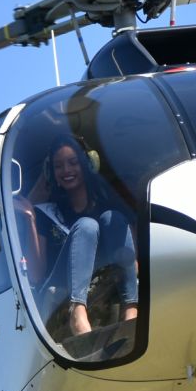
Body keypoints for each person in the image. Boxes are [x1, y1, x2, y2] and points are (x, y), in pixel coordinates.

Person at [33, 136, 139, 338]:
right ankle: (77, 312)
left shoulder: (110, 207)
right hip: (58, 290)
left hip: (103, 276)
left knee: (112, 218)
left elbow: (133, 262)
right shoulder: (47, 214)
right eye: (58, 166)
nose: (66, 171)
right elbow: (37, 275)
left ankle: (131, 309)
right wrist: (29, 215)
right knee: (87, 226)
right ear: (51, 173)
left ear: (87, 164)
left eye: (73, 163)